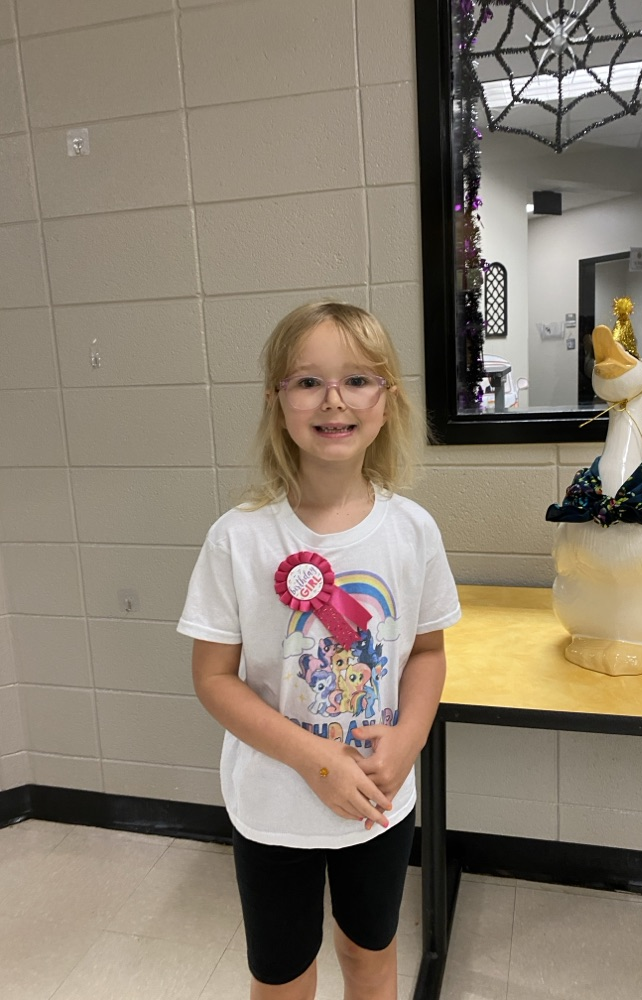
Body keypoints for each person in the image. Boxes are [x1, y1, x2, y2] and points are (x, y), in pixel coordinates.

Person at [177, 301, 461, 1000]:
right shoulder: (238, 538)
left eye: (357, 379)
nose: (334, 399)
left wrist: (407, 741)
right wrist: (315, 758)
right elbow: (213, 678)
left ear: (387, 401)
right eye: (308, 381)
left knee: (371, 954)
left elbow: (427, 653)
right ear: (276, 403)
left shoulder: (413, 531)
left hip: (379, 799)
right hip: (273, 806)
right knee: (282, 975)